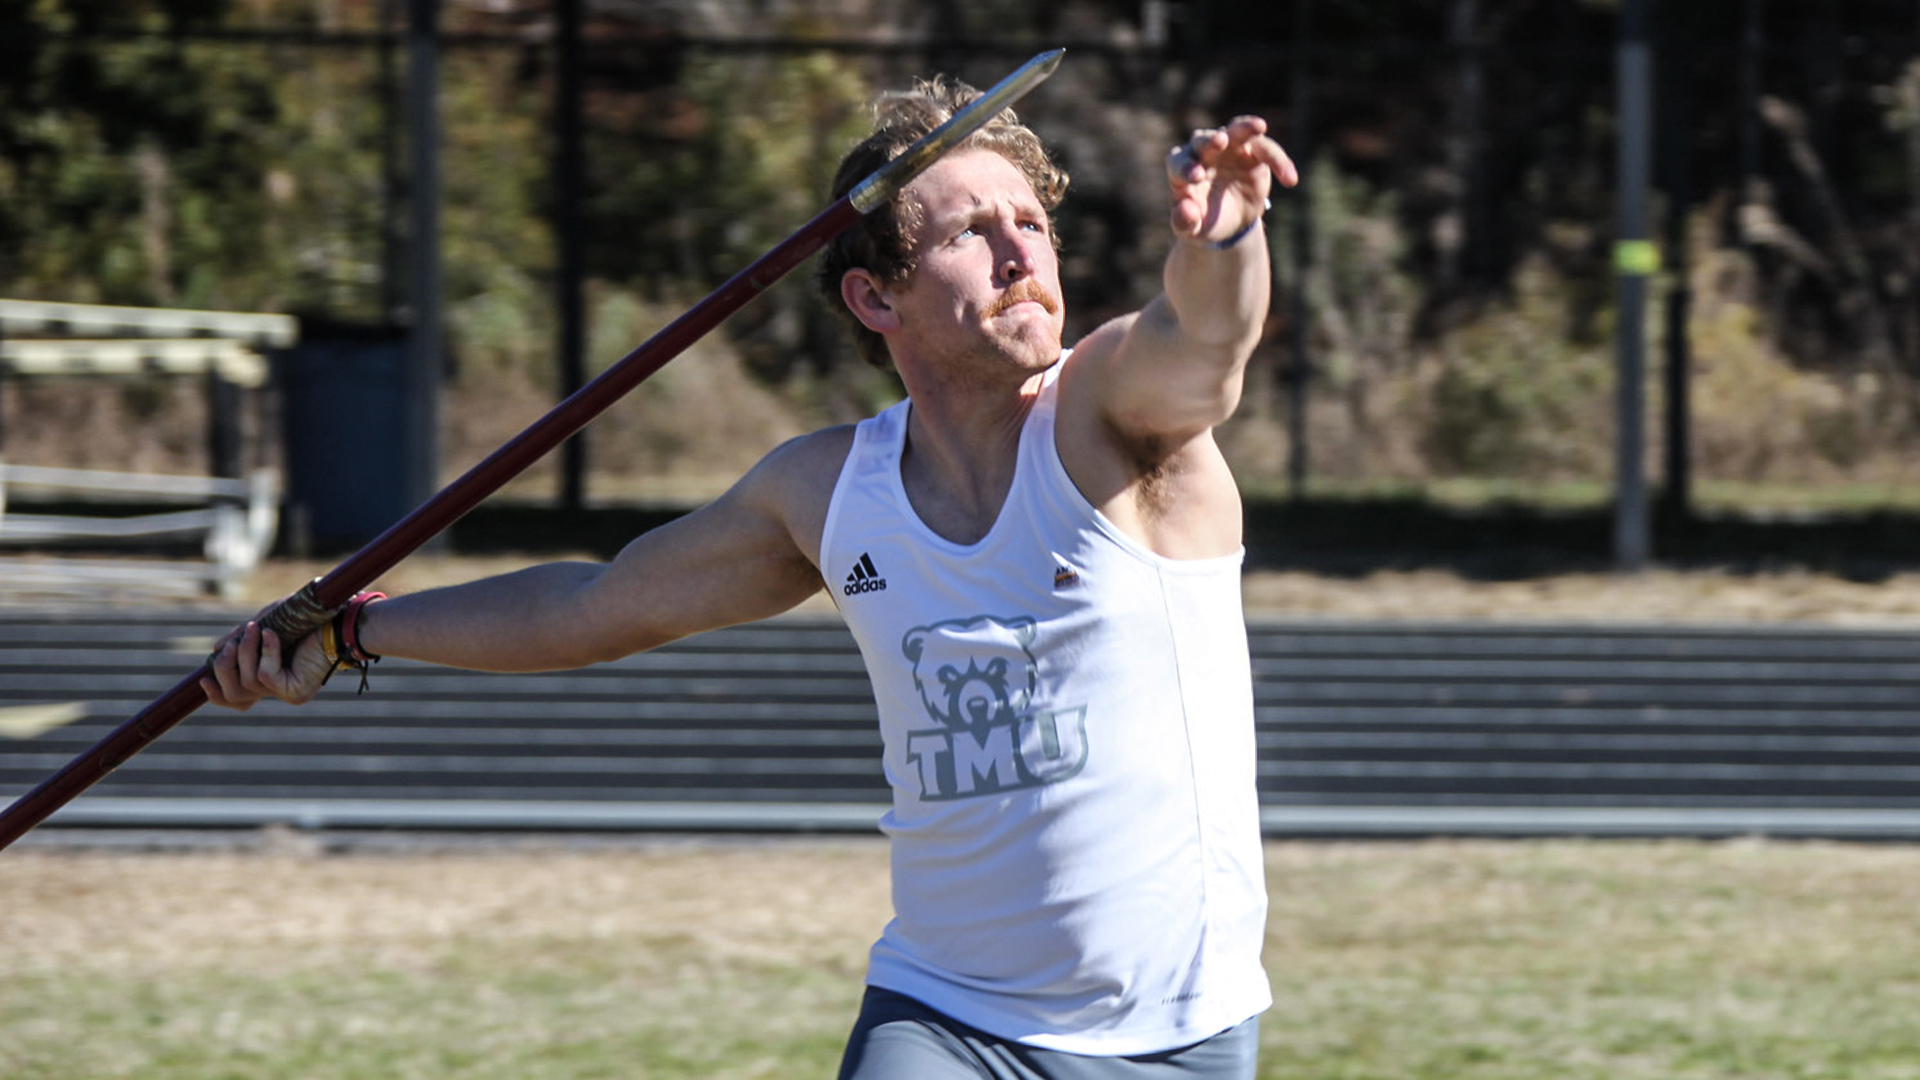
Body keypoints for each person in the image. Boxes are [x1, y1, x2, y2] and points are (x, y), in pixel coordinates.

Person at [207, 77, 1297, 1080]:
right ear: (877, 300)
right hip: (948, 1014)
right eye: (974, 231)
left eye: (1034, 226)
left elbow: (1206, 340)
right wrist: (353, 633)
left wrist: (1229, 235)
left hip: (1174, 1035)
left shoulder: (1110, 416)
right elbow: (590, 609)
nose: (1023, 256)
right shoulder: (828, 493)